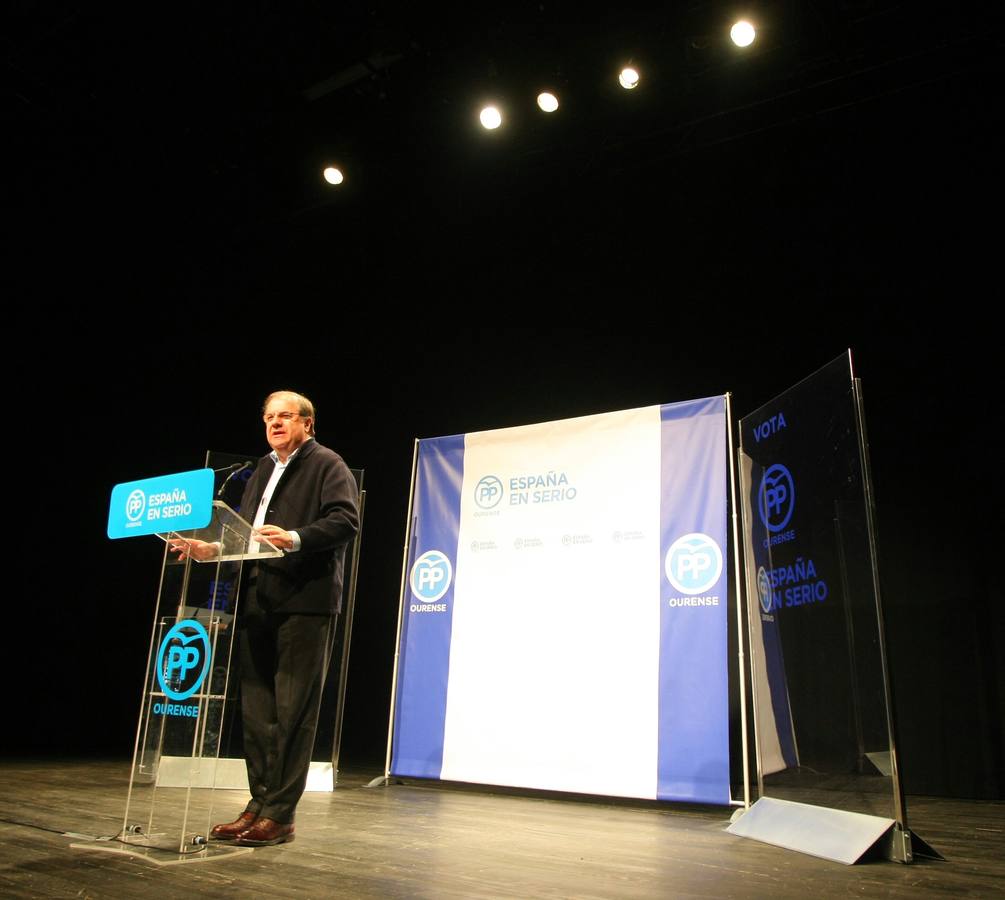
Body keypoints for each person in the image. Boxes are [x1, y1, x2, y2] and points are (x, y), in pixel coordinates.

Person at [180, 390, 359, 847]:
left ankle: (280, 815)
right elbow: (242, 532)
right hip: (256, 597)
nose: (276, 424)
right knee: (258, 712)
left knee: (292, 712)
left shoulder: (327, 464)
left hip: (305, 602)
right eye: (269, 417)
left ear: (308, 424)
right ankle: (257, 805)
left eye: (286, 417)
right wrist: (212, 549)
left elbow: (345, 521)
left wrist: (296, 537)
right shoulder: (260, 468)